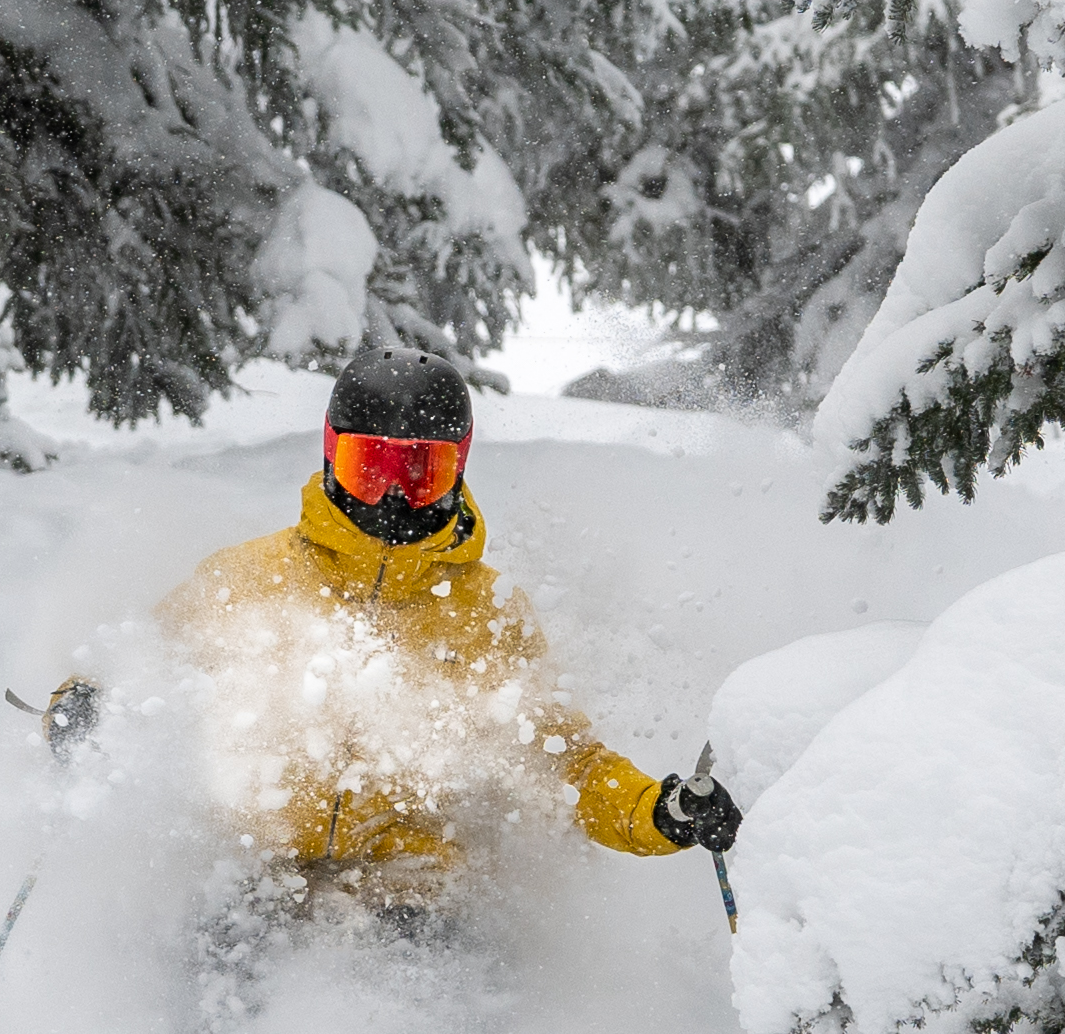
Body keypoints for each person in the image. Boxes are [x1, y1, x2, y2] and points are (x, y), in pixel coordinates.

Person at [42, 346, 740, 915]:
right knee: (218, 989)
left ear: (458, 469)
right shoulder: (246, 580)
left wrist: (658, 812)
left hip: (411, 885)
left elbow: (565, 765)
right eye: (370, 469)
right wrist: (81, 708)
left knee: (419, 996)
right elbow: (134, 673)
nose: (396, 498)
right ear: (330, 453)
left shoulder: (487, 616)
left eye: (422, 472)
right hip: (254, 873)